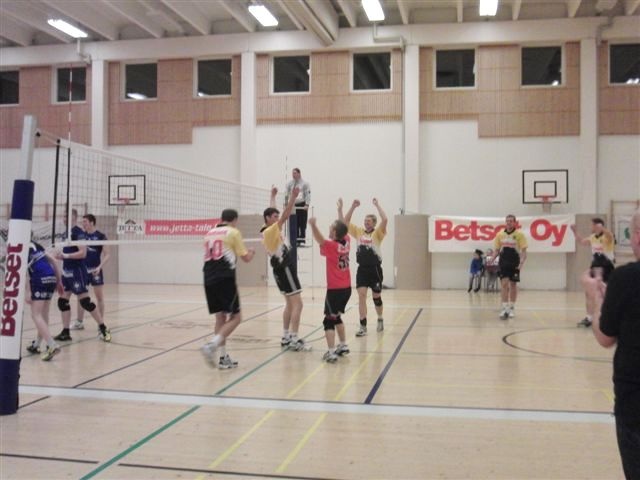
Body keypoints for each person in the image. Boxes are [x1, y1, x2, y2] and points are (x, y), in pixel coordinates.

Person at [581, 208, 639, 479]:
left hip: (634, 403)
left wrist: (597, 300)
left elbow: (606, 337)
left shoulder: (626, 278)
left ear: (636, 236)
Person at [200, 209, 255, 369]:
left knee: (220, 318)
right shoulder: (233, 232)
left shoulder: (209, 233)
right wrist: (251, 252)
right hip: (224, 278)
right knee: (236, 317)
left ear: (221, 218)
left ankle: (223, 357)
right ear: (235, 220)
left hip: (208, 278)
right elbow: (246, 258)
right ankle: (212, 345)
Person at [262, 186, 310, 351]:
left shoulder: (266, 229)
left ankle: (286, 336)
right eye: (274, 217)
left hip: (279, 269)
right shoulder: (271, 230)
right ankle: (294, 338)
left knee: (290, 304)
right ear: (268, 219)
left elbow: (273, 212)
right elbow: (285, 215)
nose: (277, 218)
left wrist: (272, 196)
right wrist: (293, 198)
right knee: (298, 304)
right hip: (285, 268)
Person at [53, 209, 111, 342]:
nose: (63, 218)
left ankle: (103, 328)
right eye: (63, 216)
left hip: (77, 272)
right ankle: (66, 332)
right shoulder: (67, 233)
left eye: (66, 216)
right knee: (62, 302)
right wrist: (59, 256)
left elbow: (83, 253)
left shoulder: (78, 233)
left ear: (73, 217)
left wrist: (66, 256)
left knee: (85, 302)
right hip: (67, 272)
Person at [338, 197, 388, 336]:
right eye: (365, 221)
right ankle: (363, 325)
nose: (366, 223)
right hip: (362, 270)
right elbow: (345, 222)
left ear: (374, 223)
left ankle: (380, 318)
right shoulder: (358, 232)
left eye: (369, 221)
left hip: (375, 269)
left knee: (376, 297)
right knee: (361, 296)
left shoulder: (377, 233)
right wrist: (353, 207)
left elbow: (385, 220)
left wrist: (377, 205)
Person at [308, 216, 351, 363]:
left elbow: (320, 239)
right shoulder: (347, 241)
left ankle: (331, 352)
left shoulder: (332, 246)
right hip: (346, 288)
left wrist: (313, 225)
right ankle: (343, 345)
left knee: (328, 321)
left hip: (335, 290)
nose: (329, 229)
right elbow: (344, 225)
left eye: (331, 228)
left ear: (335, 232)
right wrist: (341, 211)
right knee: (336, 316)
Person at [571, 219, 615, 327]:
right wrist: (574, 231)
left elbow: (610, 235)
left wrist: (602, 228)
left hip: (607, 267)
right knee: (588, 293)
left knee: (605, 293)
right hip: (595, 266)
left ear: (597, 226)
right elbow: (581, 241)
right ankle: (589, 318)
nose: (591, 226)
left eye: (592, 225)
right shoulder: (592, 237)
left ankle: (607, 317)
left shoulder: (607, 237)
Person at [25, 240, 64, 361]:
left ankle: (52, 345)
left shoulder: (21, 246)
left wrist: (28, 291)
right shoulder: (36, 246)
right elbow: (54, 261)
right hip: (51, 276)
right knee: (43, 314)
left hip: (39, 277)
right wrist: (59, 281)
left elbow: (25, 271)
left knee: (35, 315)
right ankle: (37, 344)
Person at [72, 214, 110, 330]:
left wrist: (99, 267)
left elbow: (107, 254)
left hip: (95, 270)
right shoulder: (81, 235)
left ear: (92, 222)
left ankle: (101, 324)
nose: (83, 224)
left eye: (85, 221)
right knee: (81, 297)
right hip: (82, 270)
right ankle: (79, 322)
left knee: (99, 297)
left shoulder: (101, 236)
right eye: (82, 222)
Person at [492, 214, 527, 320]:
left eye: (511, 221)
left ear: (515, 222)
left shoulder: (520, 235)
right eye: (507, 221)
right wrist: (492, 259)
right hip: (503, 262)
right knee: (504, 284)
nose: (509, 223)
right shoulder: (500, 234)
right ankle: (504, 308)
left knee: (513, 284)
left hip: (514, 262)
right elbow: (497, 250)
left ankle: (511, 307)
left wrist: (521, 263)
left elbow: (523, 251)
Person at [285, 168, 311, 246]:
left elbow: (308, 194)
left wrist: (307, 204)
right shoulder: (289, 183)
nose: (293, 175)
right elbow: (286, 193)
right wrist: (286, 203)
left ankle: (302, 240)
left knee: (302, 223)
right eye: (293, 173)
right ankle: (295, 240)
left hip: (302, 205)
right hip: (293, 205)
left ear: (299, 173)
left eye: (295, 173)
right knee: (294, 222)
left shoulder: (305, 183)